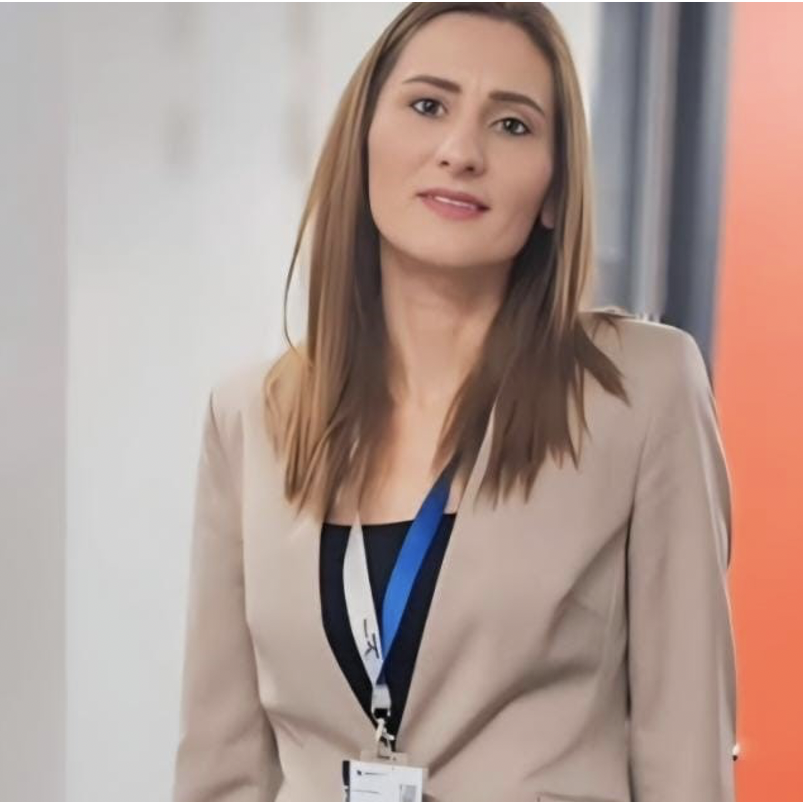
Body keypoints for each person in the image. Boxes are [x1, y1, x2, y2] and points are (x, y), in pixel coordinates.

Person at [172, 3, 738, 802]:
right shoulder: (249, 419)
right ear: (363, 141)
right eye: (428, 105)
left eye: (511, 125)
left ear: (554, 189)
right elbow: (221, 768)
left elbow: (685, 752)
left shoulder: (641, 390)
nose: (461, 152)